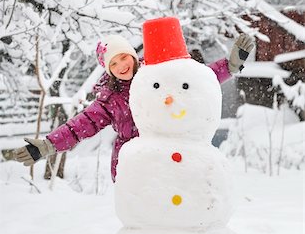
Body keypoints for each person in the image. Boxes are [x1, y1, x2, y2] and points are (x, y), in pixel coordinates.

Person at [14, 28, 254, 182]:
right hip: (133, 165)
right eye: (113, 63)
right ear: (108, 69)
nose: (121, 66)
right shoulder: (110, 99)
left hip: (168, 156)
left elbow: (196, 79)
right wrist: (47, 146)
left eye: (123, 57)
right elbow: (80, 126)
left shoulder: (156, 74)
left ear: (131, 54)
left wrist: (231, 66)